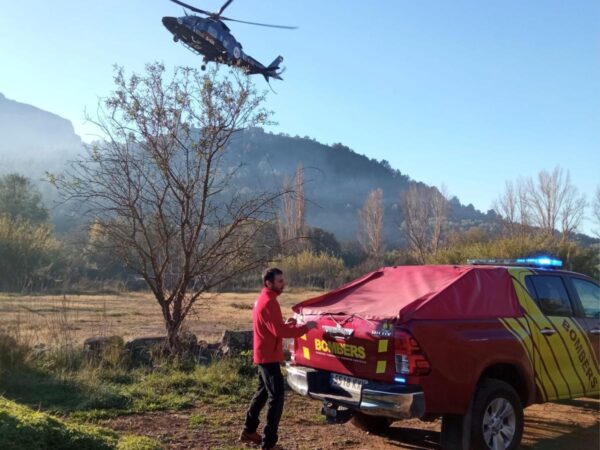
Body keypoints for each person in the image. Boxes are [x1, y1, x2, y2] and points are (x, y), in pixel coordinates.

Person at [240, 267, 317, 450]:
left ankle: (249, 431)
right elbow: (279, 331)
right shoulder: (269, 302)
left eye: (283, 280)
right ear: (269, 283)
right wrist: (306, 328)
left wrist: (286, 324)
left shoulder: (263, 299)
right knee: (277, 396)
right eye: (280, 281)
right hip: (268, 357)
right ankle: (269, 443)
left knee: (263, 392)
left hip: (263, 354)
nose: (283, 284)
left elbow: (274, 327)